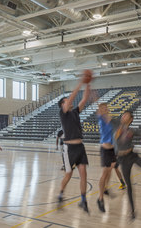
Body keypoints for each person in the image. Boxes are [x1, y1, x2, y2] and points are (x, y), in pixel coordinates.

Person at [57, 77, 91, 213]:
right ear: (62, 105)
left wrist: (87, 85)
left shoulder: (75, 112)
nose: (69, 102)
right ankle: (60, 194)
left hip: (80, 147)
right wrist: (80, 84)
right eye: (66, 101)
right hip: (69, 149)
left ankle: (83, 200)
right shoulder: (63, 113)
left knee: (84, 174)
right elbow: (71, 99)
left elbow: (84, 100)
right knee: (69, 174)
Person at [96, 103, 117, 213]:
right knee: (104, 173)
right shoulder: (101, 120)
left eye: (106, 108)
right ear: (100, 110)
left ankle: (105, 189)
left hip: (113, 149)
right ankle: (100, 199)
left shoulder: (111, 120)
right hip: (105, 149)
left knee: (111, 168)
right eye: (102, 108)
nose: (105, 110)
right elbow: (100, 113)